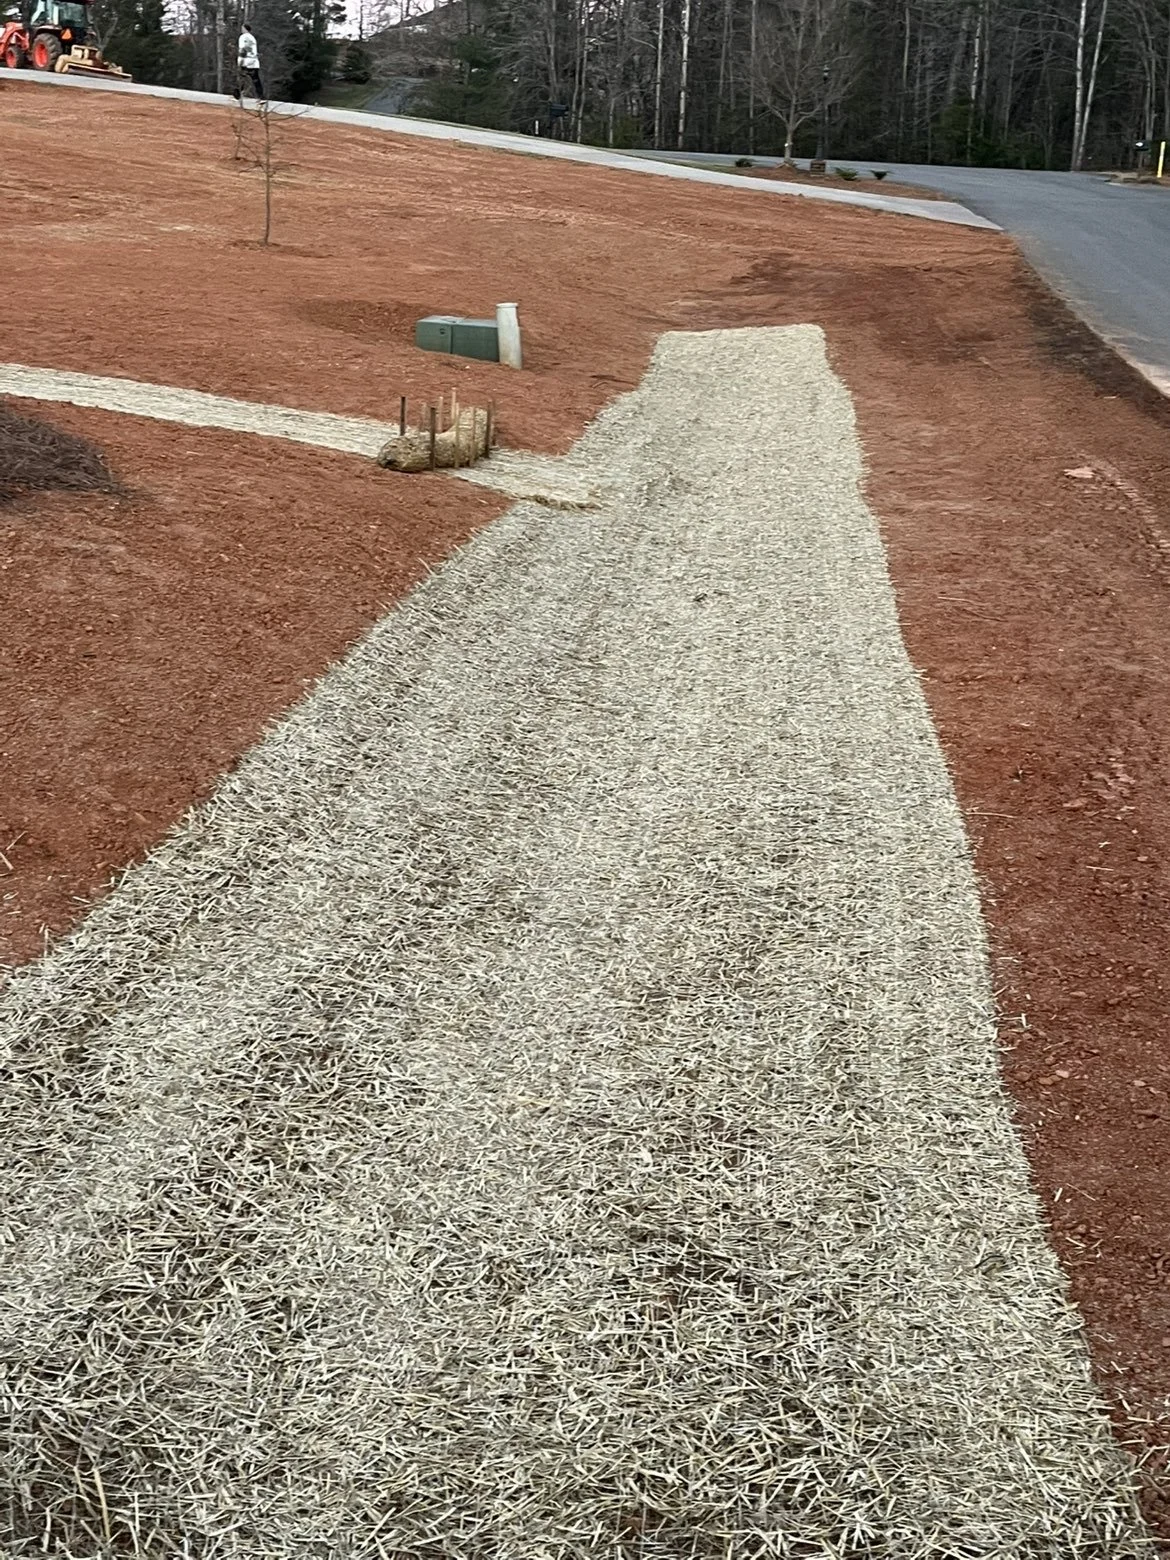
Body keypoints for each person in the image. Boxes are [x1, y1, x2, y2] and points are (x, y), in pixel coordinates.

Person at [235, 23, 264, 101]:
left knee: (242, 78)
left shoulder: (242, 37)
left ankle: (238, 94)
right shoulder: (252, 38)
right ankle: (261, 96)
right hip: (254, 61)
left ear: (245, 29)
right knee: (256, 79)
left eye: (242, 28)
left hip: (245, 61)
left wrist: (240, 61)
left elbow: (243, 49)